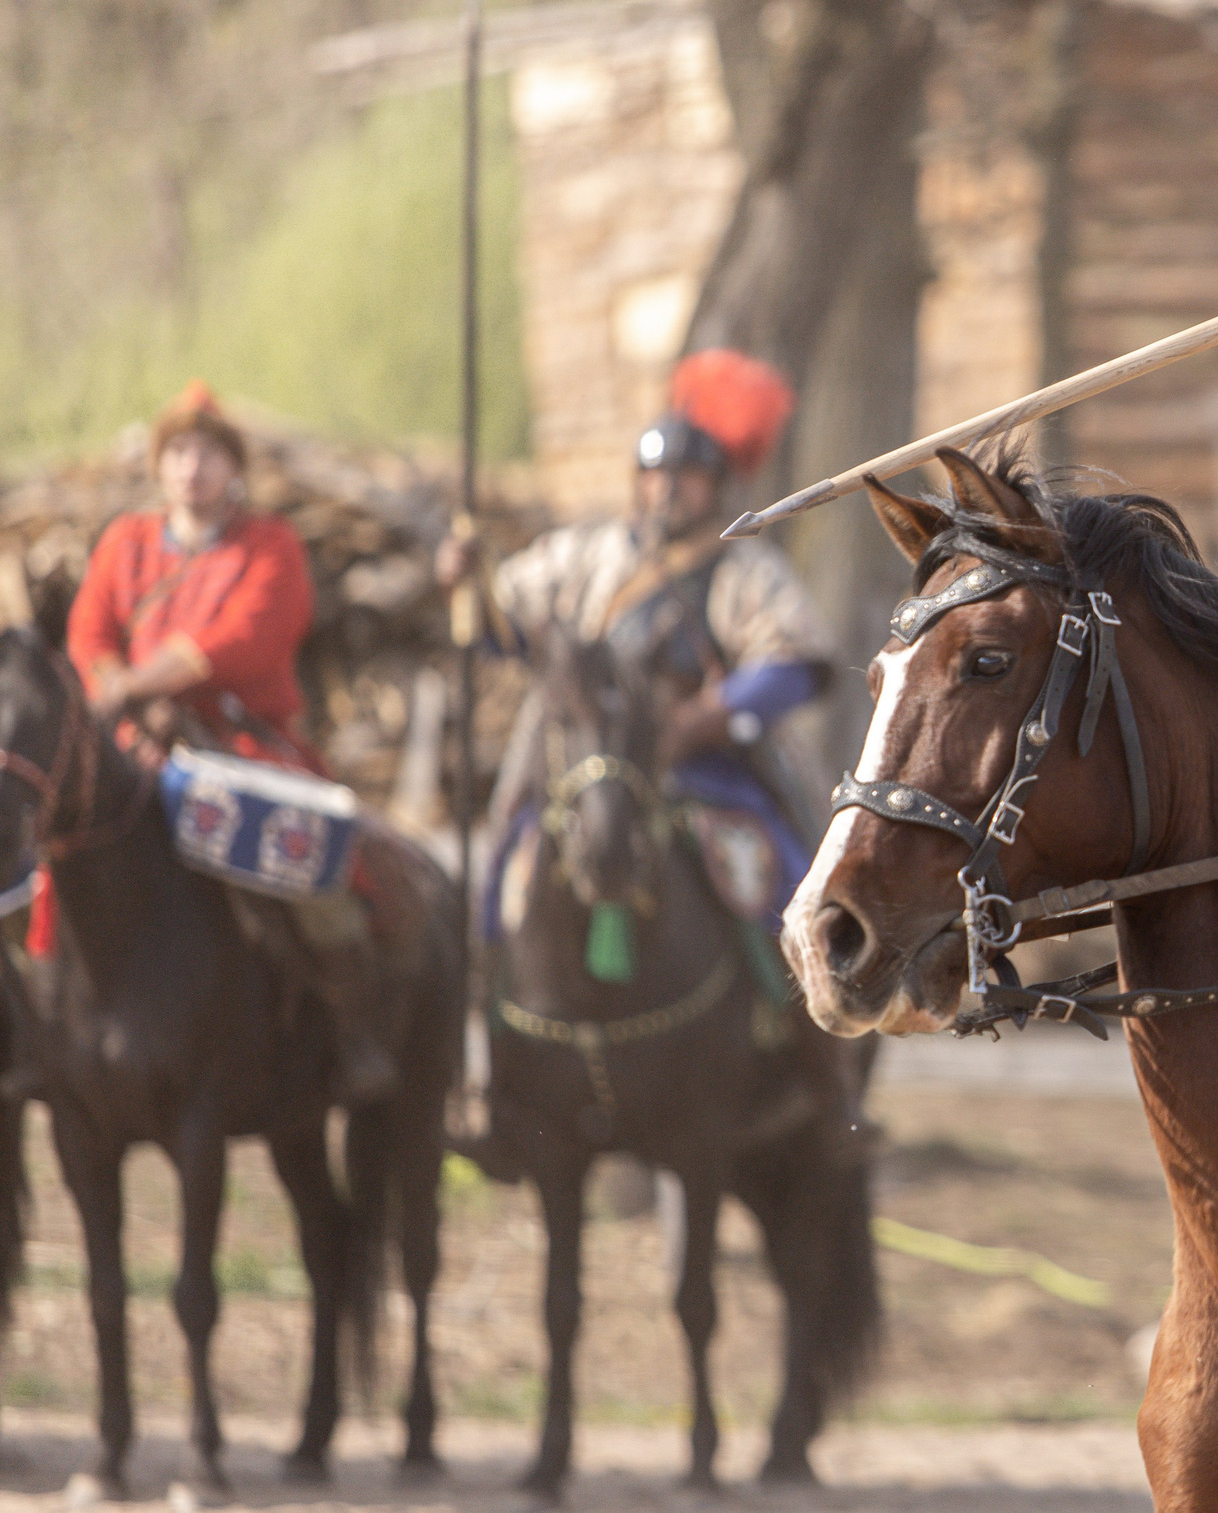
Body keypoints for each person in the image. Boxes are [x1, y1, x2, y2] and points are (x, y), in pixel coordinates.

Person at [437, 348, 836, 1009]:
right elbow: (505, 628)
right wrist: (467, 579)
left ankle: (813, 1035)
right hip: (582, 757)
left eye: (686, 477)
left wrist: (698, 721)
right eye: (655, 475)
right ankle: (491, 1004)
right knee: (509, 850)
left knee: (775, 867)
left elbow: (792, 666)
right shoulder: (588, 553)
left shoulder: (744, 568)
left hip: (699, 764)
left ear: (716, 484)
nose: (668, 489)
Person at [62, 380, 399, 1100]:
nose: (192, 467)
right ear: (160, 464)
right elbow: (90, 629)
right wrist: (117, 689)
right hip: (130, 745)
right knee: (56, 847)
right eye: (179, 451)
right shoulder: (125, 544)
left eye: (208, 453)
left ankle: (350, 1027)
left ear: (232, 465)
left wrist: (142, 684)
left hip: (237, 744)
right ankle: (53, 1026)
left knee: (311, 865)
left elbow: (243, 639)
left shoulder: (270, 545)